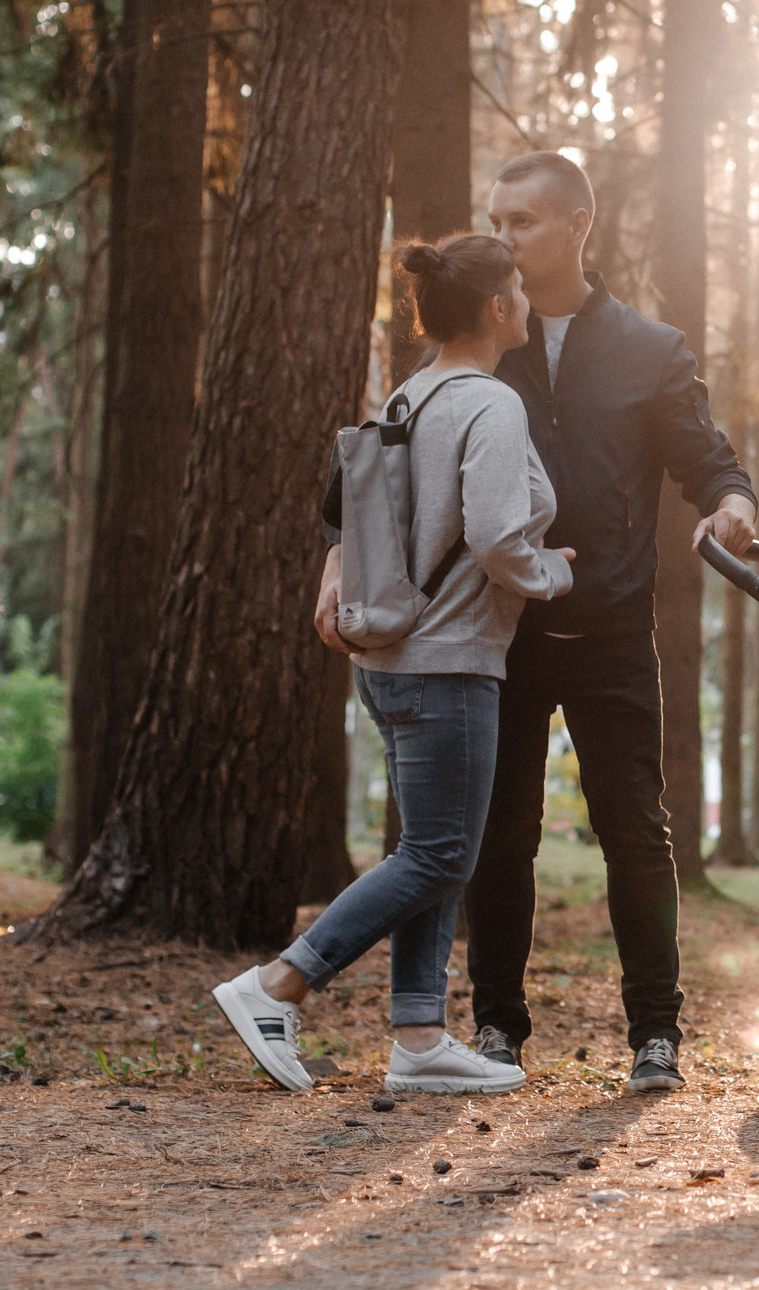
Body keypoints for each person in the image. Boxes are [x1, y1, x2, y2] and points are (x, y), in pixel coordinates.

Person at [212, 234, 574, 1096]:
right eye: (517, 288)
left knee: (432, 844)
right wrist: (553, 572)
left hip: (391, 655)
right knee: (445, 853)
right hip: (449, 657)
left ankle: (418, 1036)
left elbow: (352, 515)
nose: (526, 299)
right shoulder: (491, 404)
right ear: (497, 307)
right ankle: (278, 983)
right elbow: (493, 536)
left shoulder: (407, 398)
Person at [463, 151, 756, 1094]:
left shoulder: (648, 347)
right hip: (497, 632)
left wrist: (732, 501)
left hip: (614, 633)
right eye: (496, 221)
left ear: (577, 224)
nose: (502, 239)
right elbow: (398, 446)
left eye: (522, 223)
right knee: (501, 835)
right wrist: (343, 556)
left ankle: (655, 1037)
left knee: (636, 831)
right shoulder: (475, 341)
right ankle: (497, 1032)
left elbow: (706, 460)